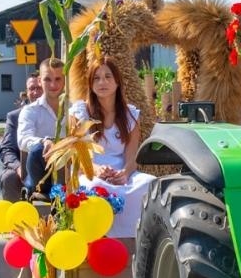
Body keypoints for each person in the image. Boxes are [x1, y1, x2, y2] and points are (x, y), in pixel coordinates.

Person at [68, 55, 154, 236]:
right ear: (91, 84)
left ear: (117, 82)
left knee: (150, 184)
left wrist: (125, 173)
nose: (102, 82)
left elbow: (132, 157)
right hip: (89, 171)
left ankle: (136, 239)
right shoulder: (80, 113)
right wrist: (97, 169)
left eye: (108, 77)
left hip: (121, 172)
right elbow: (78, 155)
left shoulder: (130, 115)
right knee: (93, 189)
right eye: (97, 78)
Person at [17, 57, 66, 192]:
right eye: (47, 79)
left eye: (58, 79)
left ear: (65, 79)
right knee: (37, 150)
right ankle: (48, 192)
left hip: (69, 171)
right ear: (39, 81)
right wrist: (44, 142)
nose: (53, 85)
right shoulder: (30, 110)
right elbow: (23, 139)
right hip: (41, 173)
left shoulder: (75, 109)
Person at [0, 74, 42, 202]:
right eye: (31, 88)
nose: (36, 92)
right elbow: (7, 150)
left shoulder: (59, 113)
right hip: (22, 169)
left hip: (52, 169)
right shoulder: (14, 117)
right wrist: (18, 168)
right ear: (26, 92)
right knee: (9, 178)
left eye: (39, 88)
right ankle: (16, 218)